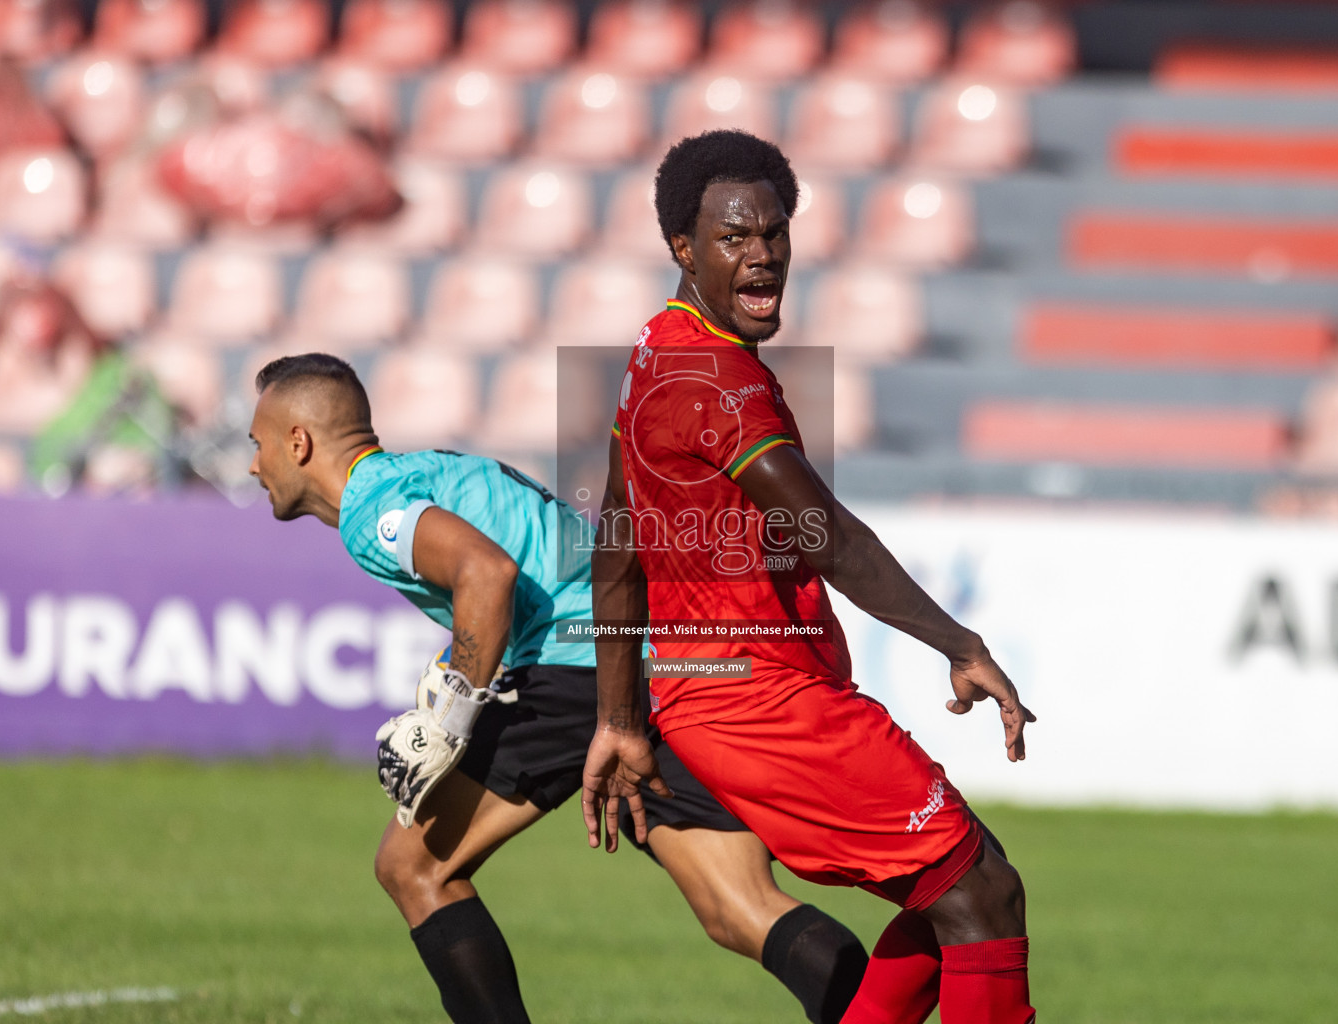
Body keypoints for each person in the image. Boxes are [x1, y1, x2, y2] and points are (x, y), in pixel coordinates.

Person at [246, 352, 869, 1024]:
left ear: (298, 442)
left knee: (415, 869)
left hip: (577, 663)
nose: (254, 466)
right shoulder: (432, 470)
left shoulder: (371, 508)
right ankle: (875, 1010)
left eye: (258, 445)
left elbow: (487, 573)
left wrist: (451, 712)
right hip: (659, 658)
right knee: (737, 907)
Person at [581, 130, 1038, 1024]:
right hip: (760, 700)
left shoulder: (657, 350)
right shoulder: (715, 380)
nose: (762, 256)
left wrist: (622, 717)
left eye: (774, 234)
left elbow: (616, 538)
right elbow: (823, 533)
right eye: (732, 239)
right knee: (984, 893)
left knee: (954, 894)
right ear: (683, 248)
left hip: (724, 697)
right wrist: (960, 641)